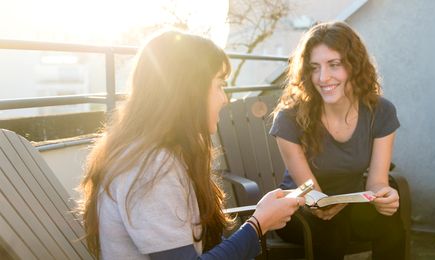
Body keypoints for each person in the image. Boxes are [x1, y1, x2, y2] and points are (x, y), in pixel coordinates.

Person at [77, 31, 304, 260]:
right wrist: (259, 224)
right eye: (219, 85)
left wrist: (260, 221)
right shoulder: (151, 167)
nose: (225, 98)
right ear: (189, 91)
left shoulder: (158, 153)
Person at [270, 21, 405, 259]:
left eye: (334, 65)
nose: (323, 77)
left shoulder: (380, 112)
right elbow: (311, 194)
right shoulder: (289, 119)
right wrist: (320, 204)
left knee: (390, 217)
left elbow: (376, 182)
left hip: (351, 206)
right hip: (300, 212)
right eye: (314, 67)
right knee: (332, 227)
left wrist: (385, 197)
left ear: (355, 65)